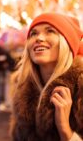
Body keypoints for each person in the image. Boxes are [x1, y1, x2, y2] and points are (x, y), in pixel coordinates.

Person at [10, 12, 83, 141]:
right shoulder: (21, 88)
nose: (39, 38)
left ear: (66, 42)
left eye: (50, 31)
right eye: (34, 33)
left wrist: (65, 130)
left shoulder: (80, 85)